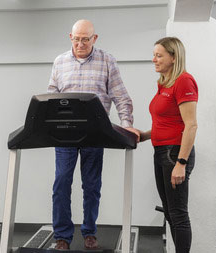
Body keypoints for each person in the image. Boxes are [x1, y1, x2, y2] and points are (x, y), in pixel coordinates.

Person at [47, 19, 139, 250]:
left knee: (91, 185)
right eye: (76, 39)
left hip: (95, 133)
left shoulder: (107, 61)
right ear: (70, 37)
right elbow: (51, 97)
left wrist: (126, 124)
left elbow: (121, 96)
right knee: (61, 184)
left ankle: (89, 231)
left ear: (94, 38)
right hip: (65, 134)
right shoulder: (59, 62)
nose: (80, 43)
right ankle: (62, 236)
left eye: (85, 39)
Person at [138, 37, 198, 253]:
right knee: (170, 213)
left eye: (159, 55)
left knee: (179, 214)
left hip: (175, 153)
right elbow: (166, 123)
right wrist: (143, 135)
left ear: (174, 57)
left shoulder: (184, 81)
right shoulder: (164, 83)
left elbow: (190, 125)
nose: (154, 59)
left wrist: (181, 162)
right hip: (161, 151)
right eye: (154, 54)